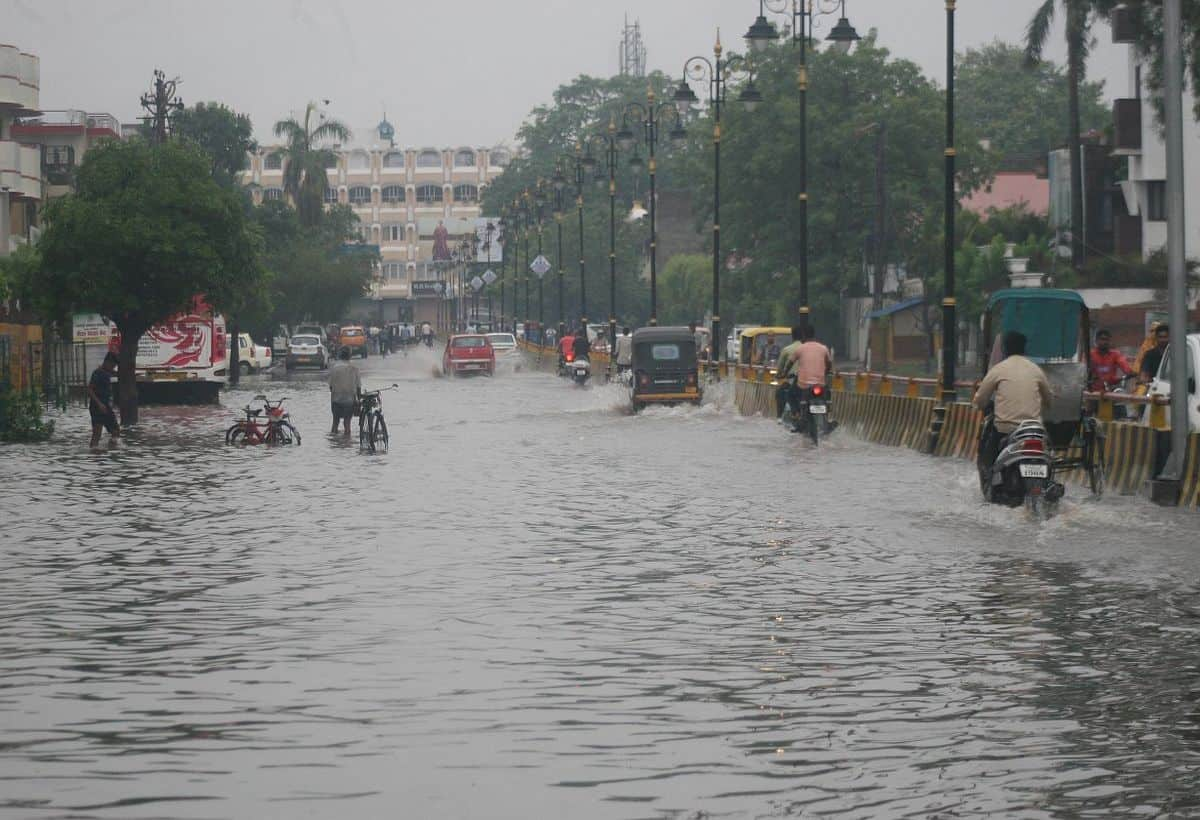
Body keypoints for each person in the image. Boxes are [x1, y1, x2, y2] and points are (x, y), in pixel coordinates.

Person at [973, 331, 1053, 475]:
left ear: (1004, 349)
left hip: (1006, 429)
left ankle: (990, 480)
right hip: (1034, 429)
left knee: (988, 459)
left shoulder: (998, 369)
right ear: (1024, 349)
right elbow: (1049, 399)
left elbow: (981, 398)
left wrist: (978, 405)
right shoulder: (1035, 370)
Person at [87, 351, 121, 448]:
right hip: (97, 406)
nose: (113, 367)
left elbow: (115, 373)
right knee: (97, 433)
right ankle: (93, 454)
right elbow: (89, 389)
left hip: (106, 406)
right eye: (113, 365)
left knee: (116, 430)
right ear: (107, 362)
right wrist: (99, 404)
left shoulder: (107, 372)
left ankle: (110, 449)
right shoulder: (97, 373)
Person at [328, 347, 361, 437]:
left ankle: (334, 443)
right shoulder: (354, 368)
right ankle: (347, 443)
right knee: (347, 424)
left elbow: (330, 387)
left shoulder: (334, 367)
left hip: (336, 400)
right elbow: (358, 387)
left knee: (335, 423)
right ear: (350, 356)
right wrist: (359, 400)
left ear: (340, 356)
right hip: (349, 400)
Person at [773, 326, 804, 418]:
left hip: (794, 380)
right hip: (813, 381)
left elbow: (780, 368)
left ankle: (780, 417)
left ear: (793, 336)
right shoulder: (810, 349)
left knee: (780, 393)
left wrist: (780, 375)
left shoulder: (787, 350)